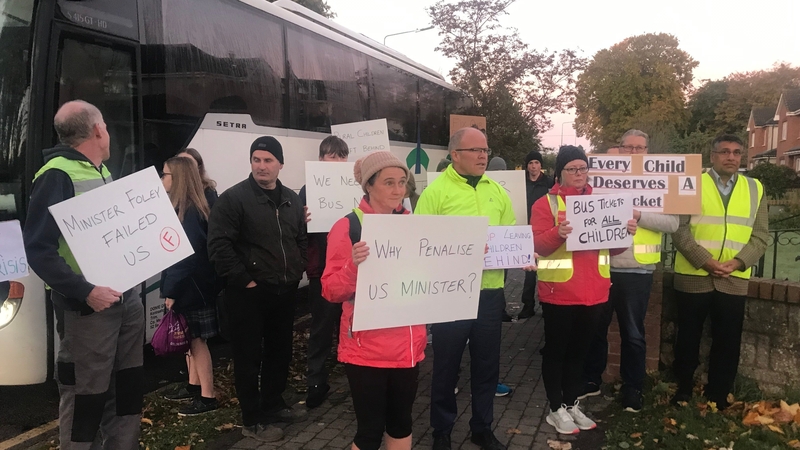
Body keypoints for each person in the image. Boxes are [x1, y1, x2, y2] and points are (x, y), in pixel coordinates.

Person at [23, 100, 144, 449]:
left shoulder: (99, 170)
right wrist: (86, 291)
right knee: (85, 396)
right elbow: (39, 249)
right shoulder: (57, 175)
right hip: (88, 311)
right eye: (105, 125)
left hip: (124, 301)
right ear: (97, 130)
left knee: (127, 388)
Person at [417, 127, 519, 450]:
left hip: (489, 292)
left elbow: (511, 234)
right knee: (446, 366)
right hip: (450, 293)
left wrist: (522, 254)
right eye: (476, 150)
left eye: (485, 150)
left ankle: (482, 427)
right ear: (455, 155)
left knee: (487, 365)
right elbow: (421, 242)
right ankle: (441, 431)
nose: (482, 156)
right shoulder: (436, 192)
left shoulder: (497, 191)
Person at [321, 151, 427, 450]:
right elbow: (330, 290)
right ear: (369, 185)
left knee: (401, 423)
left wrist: (468, 256)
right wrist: (354, 266)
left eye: (402, 182)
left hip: (408, 345)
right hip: (366, 349)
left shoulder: (415, 225)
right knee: (369, 432)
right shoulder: (347, 227)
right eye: (389, 182)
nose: (398, 190)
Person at [207, 136, 308, 442]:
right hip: (248, 294)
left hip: (284, 290)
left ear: (280, 164)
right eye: (256, 160)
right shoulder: (234, 199)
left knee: (280, 352)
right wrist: (245, 280)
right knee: (248, 358)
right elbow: (218, 245)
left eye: (268, 160)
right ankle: (252, 420)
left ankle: (273, 404)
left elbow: (300, 238)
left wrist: (298, 268)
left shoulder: (291, 199)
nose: (261, 166)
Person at [532, 146, 637, 435]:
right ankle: (555, 408)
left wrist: (625, 234)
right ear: (560, 172)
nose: (579, 174)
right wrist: (557, 233)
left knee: (579, 353)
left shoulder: (601, 203)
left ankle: (570, 403)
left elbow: (613, 249)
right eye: (572, 169)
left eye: (583, 168)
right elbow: (537, 245)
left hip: (595, 293)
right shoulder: (546, 204)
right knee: (557, 352)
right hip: (559, 292)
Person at [581, 130, 679, 413]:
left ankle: (633, 388)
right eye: (628, 147)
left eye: (640, 148)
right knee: (596, 328)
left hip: (638, 271)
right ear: (620, 149)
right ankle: (592, 380)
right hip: (602, 266)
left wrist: (638, 215)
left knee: (633, 334)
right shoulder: (600, 179)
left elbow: (672, 224)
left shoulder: (659, 182)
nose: (634, 153)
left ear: (647, 152)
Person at [670, 134, 767, 410]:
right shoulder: (691, 182)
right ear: (712, 156)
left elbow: (761, 236)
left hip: (733, 278)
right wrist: (706, 261)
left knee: (728, 341)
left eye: (736, 152)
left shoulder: (755, 188)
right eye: (724, 152)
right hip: (693, 275)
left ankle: (718, 395)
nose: (731, 157)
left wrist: (737, 263)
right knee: (687, 337)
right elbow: (679, 229)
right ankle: (683, 390)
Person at [159, 157, 220, 416]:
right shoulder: (191, 208)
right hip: (195, 286)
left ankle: (207, 396)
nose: (162, 179)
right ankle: (194, 386)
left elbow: (185, 257)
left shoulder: (189, 213)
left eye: (165, 174)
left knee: (196, 342)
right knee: (191, 339)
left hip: (192, 288)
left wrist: (170, 291)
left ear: (178, 178)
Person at [299, 135, 349, 408]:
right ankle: (316, 382)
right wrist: (302, 219)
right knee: (321, 327)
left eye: (342, 156)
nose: (337, 161)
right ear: (320, 159)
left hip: (351, 270)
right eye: (332, 156)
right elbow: (297, 232)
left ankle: (351, 372)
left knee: (349, 325)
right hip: (322, 271)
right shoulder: (308, 190)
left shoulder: (356, 186)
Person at [519, 150, 553, 319]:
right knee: (529, 270)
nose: (533, 166)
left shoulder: (549, 183)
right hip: (526, 231)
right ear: (527, 166)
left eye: (536, 163)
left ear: (541, 165)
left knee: (547, 268)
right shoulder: (520, 184)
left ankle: (547, 303)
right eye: (531, 163)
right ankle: (528, 305)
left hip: (544, 231)